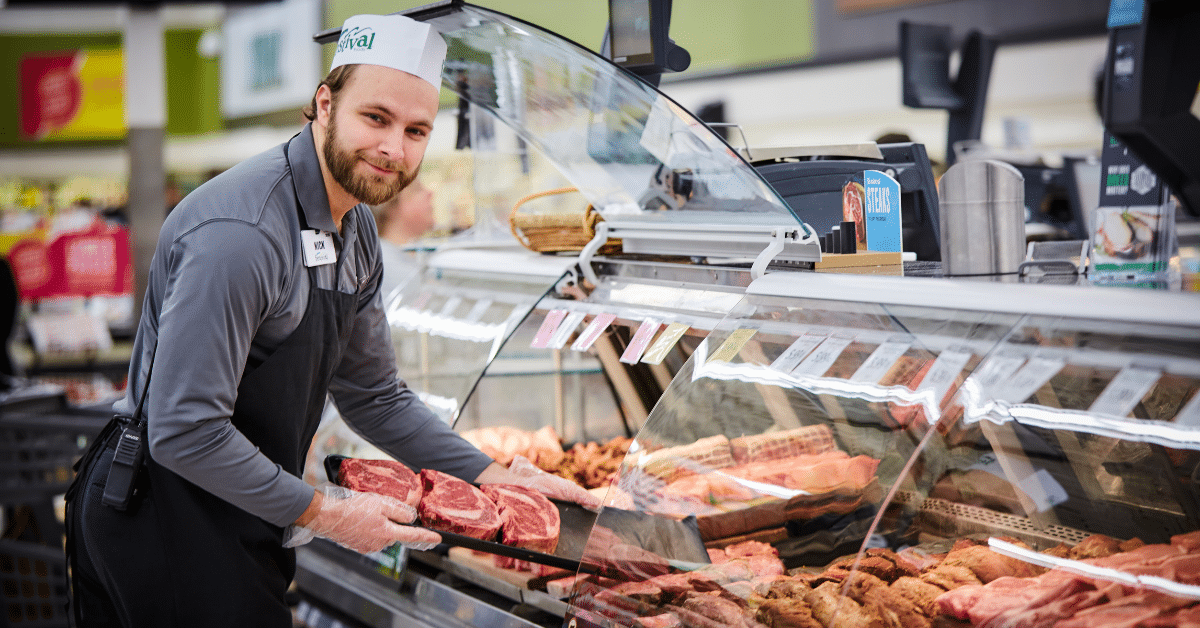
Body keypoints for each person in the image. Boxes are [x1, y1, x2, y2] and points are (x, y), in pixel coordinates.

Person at [65, 14, 598, 628]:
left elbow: (375, 397)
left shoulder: (356, 225)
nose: (394, 148)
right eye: (376, 118)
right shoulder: (243, 235)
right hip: (160, 517)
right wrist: (325, 512)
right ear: (325, 104)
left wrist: (500, 478)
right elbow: (184, 430)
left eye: (416, 130)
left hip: (238, 509)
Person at [372, 177, 435, 299]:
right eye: (417, 189)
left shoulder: (409, 254)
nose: (430, 193)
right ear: (389, 203)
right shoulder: (383, 264)